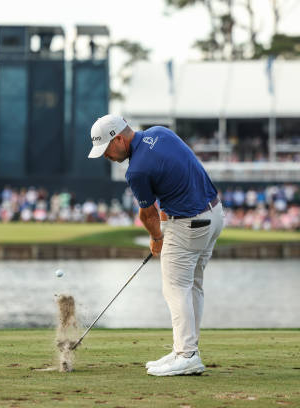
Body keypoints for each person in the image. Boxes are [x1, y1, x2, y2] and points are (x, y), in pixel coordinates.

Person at [88, 114, 224, 377]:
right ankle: (184, 349)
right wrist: (163, 230)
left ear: (118, 139)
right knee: (192, 284)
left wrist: (157, 238)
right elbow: (170, 184)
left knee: (175, 287)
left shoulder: (136, 170)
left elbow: (147, 214)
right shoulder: (161, 133)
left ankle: (187, 355)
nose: (106, 156)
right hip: (215, 214)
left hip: (190, 222)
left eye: (106, 149)